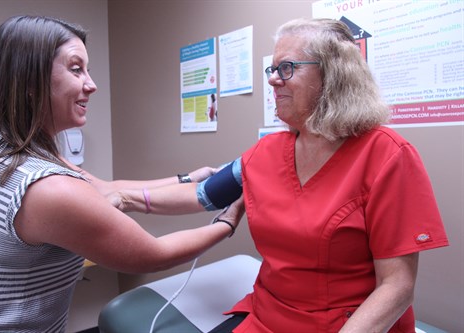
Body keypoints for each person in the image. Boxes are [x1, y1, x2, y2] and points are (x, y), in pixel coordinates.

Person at [110, 18, 449, 333]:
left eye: (286, 68)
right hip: (268, 317)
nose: (273, 78)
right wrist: (126, 199)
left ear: (334, 75)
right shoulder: (265, 153)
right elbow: (202, 195)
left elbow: (397, 286)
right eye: (273, 69)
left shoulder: (388, 156)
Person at [0, 15, 245, 332]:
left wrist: (192, 177)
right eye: (75, 68)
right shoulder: (45, 189)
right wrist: (229, 220)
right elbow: (153, 254)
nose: (91, 84)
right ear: (31, 82)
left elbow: (105, 188)